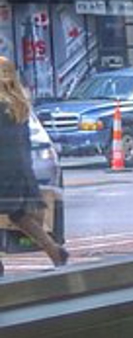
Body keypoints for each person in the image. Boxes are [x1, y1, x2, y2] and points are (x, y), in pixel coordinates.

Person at [0, 57, 67, 273]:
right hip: (18, 168)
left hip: (3, 169)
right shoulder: (19, 103)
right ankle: (54, 251)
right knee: (19, 215)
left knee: (18, 214)